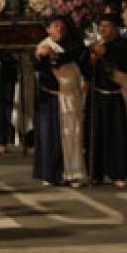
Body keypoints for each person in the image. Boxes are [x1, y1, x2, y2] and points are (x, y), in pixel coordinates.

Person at [33, 15, 87, 187]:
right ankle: (51, 173)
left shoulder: (74, 44)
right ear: (48, 29)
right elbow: (38, 66)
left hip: (71, 96)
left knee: (73, 133)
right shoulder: (43, 45)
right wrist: (41, 56)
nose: (59, 28)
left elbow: (74, 56)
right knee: (51, 136)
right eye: (55, 26)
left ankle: (74, 172)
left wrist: (54, 55)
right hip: (52, 97)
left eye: (61, 25)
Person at [80, 13, 127, 187]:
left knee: (116, 134)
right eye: (101, 26)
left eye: (107, 26)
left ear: (115, 28)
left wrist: (106, 52)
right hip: (96, 94)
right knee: (94, 133)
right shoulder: (94, 46)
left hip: (115, 94)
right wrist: (90, 61)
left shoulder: (124, 44)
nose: (103, 29)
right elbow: (84, 67)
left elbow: (125, 62)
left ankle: (118, 172)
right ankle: (95, 173)